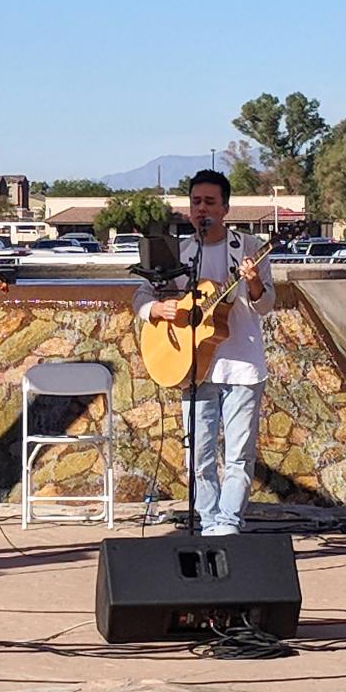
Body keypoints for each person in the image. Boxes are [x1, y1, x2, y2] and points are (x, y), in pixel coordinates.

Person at [133, 169, 275, 535]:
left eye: (210, 202)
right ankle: (209, 521)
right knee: (198, 456)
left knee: (239, 456)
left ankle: (227, 525)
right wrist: (157, 310)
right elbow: (141, 296)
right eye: (196, 202)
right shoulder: (179, 253)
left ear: (225, 208)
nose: (201, 209)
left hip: (241, 366)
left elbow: (265, 305)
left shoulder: (247, 249)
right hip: (193, 368)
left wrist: (254, 283)